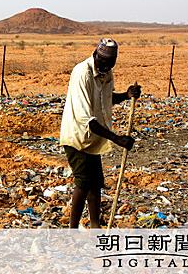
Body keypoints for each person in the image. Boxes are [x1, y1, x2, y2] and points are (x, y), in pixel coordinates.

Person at [59, 38, 141, 228]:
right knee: (83, 181)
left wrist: (126, 95)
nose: (105, 66)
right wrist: (116, 138)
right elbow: (85, 118)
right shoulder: (82, 73)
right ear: (95, 55)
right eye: (102, 62)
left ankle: (96, 226)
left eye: (109, 64)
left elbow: (106, 99)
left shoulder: (106, 73)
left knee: (96, 183)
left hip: (94, 138)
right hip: (77, 135)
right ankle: (72, 229)